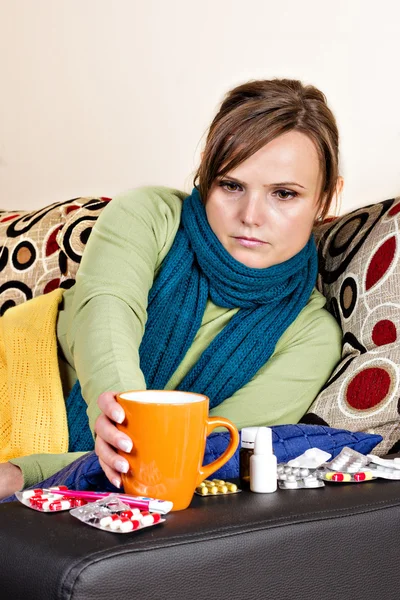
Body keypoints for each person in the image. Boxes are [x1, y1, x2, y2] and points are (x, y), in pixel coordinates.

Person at [0, 78, 342, 499]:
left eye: (284, 194)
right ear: (204, 174)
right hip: (15, 371)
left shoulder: (310, 338)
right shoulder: (147, 215)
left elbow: (197, 454)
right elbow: (107, 311)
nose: (250, 216)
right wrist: (125, 416)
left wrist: (25, 472)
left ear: (326, 200)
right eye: (231, 185)